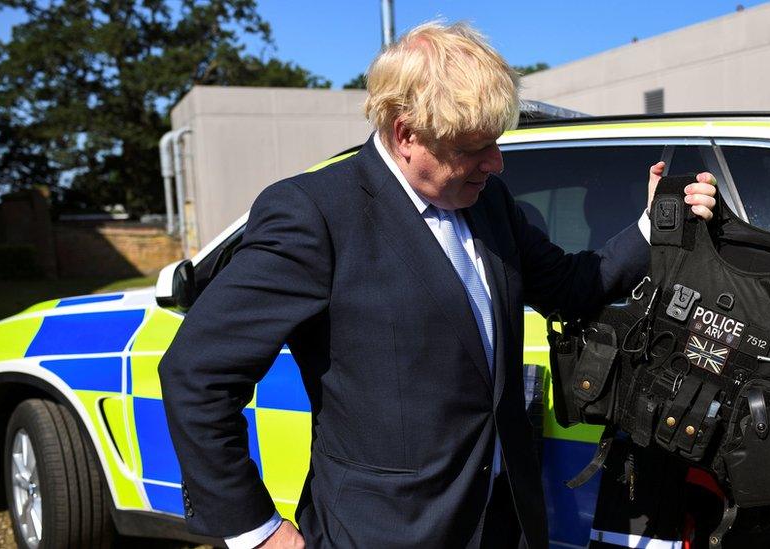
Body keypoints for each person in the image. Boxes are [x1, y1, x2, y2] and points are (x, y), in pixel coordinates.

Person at [158, 21, 717, 549]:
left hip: (506, 521)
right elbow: (197, 372)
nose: (496, 163)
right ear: (406, 135)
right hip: (384, 532)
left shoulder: (490, 203)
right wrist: (254, 530)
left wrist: (651, 225)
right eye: (475, 149)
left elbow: (572, 285)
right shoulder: (315, 214)